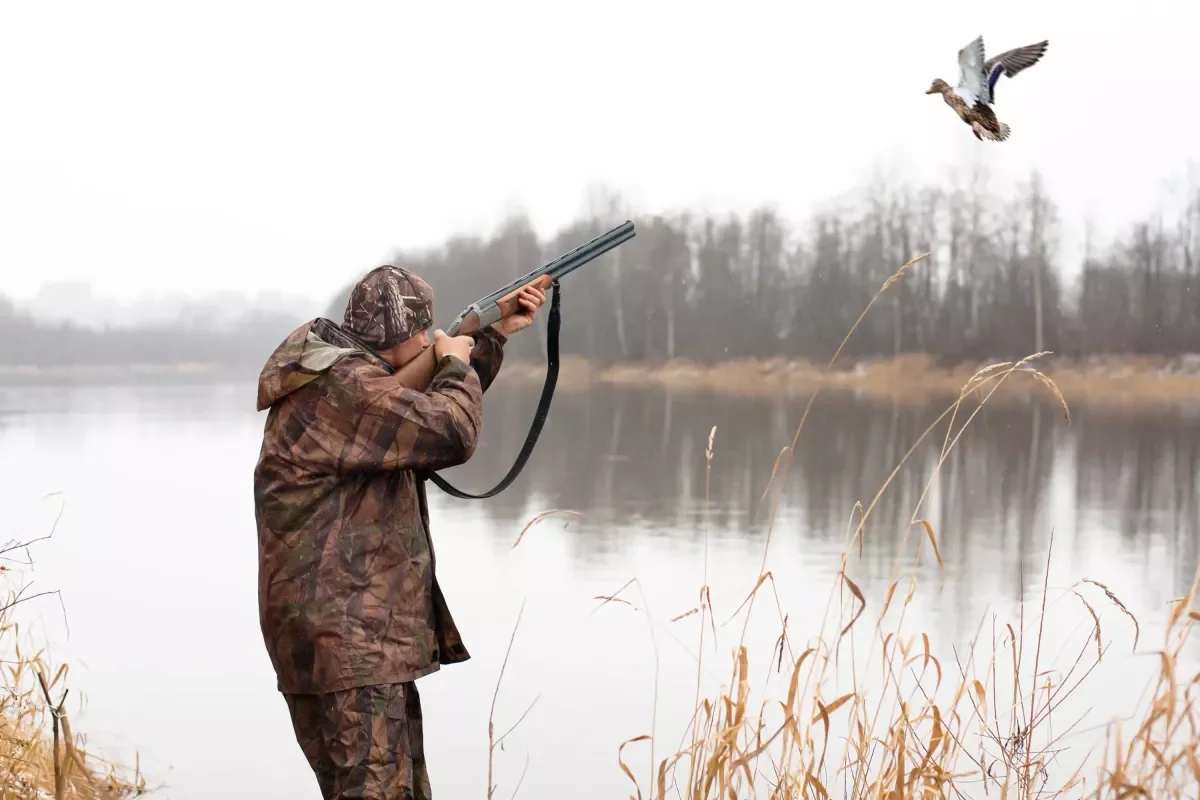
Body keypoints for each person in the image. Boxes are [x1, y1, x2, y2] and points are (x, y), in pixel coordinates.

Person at [252, 264, 545, 799]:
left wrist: (492, 335)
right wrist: (453, 363)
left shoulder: (336, 377)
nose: (433, 339)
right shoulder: (344, 387)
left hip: (347, 642)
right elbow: (448, 430)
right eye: (427, 334)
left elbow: (411, 415)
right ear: (410, 337)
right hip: (351, 645)